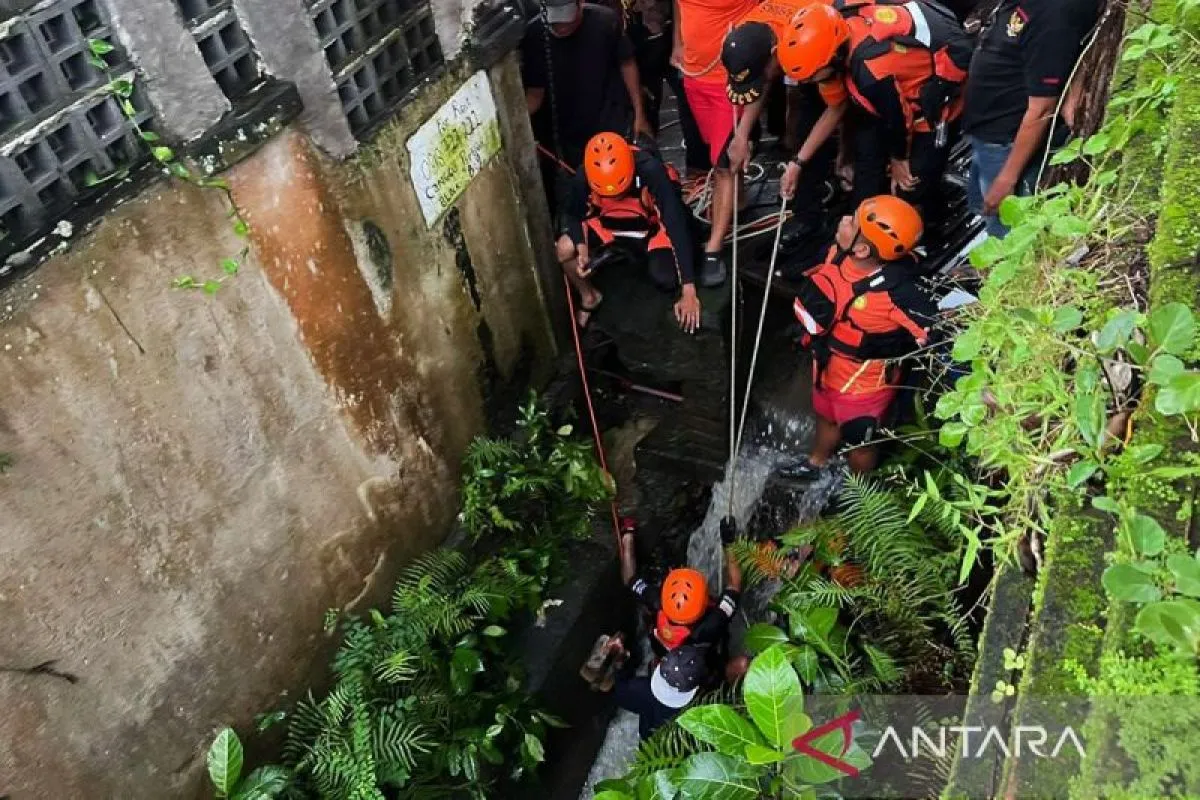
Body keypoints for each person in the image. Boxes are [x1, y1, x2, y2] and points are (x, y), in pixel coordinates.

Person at [779, 196, 938, 479]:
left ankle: (858, 491)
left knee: (860, 441)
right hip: (828, 365)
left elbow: (932, 333)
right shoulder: (838, 253)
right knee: (826, 416)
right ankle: (816, 462)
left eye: (852, 222)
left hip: (866, 383)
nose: (843, 221)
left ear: (863, 249)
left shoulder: (898, 293)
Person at [777, 1, 972, 218]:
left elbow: (898, 118)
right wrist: (798, 163)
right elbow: (835, 108)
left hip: (929, 105)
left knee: (910, 188)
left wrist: (899, 159)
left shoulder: (870, 70)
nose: (809, 82)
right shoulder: (831, 50)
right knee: (866, 173)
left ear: (833, 59)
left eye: (812, 76)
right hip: (885, 101)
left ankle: (926, 220)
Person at [962, 0, 1100, 237]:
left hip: (1008, 142)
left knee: (1005, 223)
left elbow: (1042, 108)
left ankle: (1001, 266)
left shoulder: (1053, 15)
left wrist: (1007, 178)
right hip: (985, 131)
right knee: (982, 204)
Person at [601, 517, 746, 738]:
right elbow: (734, 585)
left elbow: (630, 578)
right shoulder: (711, 624)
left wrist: (627, 537)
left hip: (665, 668)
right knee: (742, 665)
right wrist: (729, 543)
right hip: (707, 674)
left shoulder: (657, 602)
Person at [558, 132, 702, 332]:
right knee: (564, 249)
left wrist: (689, 289)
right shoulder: (586, 173)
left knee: (666, 278)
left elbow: (675, 222)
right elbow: (574, 214)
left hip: (649, 229)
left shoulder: (649, 169)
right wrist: (582, 250)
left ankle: (638, 257)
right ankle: (589, 297)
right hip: (610, 225)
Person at [522, 0, 652, 215]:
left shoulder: (605, 21)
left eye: (567, 19)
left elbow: (627, 64)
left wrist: (640, 114)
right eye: (556, 21)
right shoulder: (535, 35)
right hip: (568, 134)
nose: (562, 27)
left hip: (609, 121)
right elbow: (536, 93)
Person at [719, 0, 834, 235]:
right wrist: (741, 136)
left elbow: (837, 106)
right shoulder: (746, 34)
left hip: (830, 42)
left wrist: (800, 161)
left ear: (776, 53)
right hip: (797, 40)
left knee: (812, 127)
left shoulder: (807, 41)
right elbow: (762, 81)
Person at [672, 0, 761, 286]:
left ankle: (714, 249)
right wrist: (677, 41)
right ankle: (739, 197)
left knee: (724, 163)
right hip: (693, 75)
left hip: (730, 80)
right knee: (716, 152)